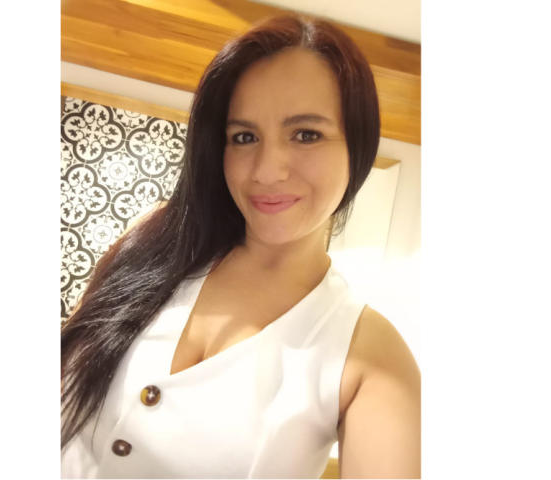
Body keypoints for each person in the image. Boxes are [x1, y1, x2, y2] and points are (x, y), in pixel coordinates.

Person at [61, 13, 420, 479]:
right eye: (244, 137)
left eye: (306, 134)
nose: (267, 170)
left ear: (358, 147)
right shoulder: (154, 240)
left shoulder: (370, 354)